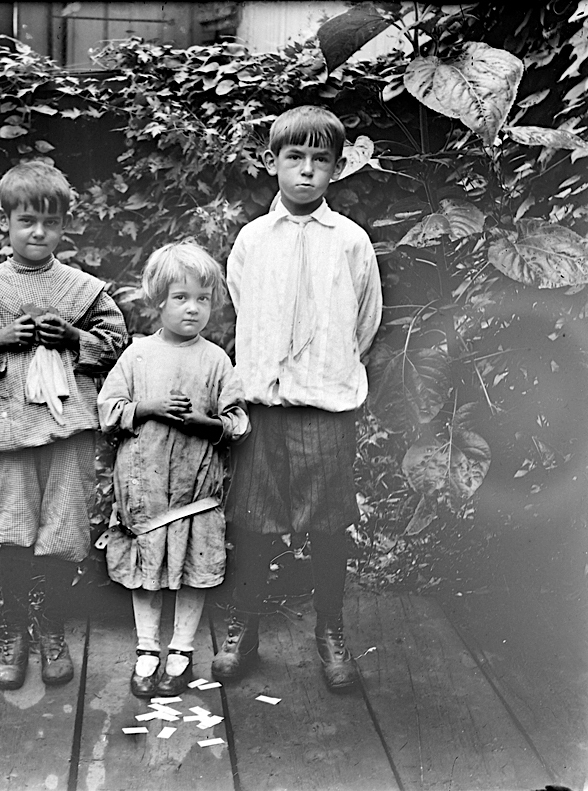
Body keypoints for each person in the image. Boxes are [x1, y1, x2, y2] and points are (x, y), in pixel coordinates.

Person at [213, 105, 383, 692]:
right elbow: (243, 308)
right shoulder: (252, 240)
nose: (306, 172)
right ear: (272, 163)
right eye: (294, 158)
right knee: (254, 522)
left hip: (325, 408)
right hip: (264, 407)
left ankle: (330, 631)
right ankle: (245, 626)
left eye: (319, 161)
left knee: (328, 525)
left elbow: (365, 320)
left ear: (337, 168)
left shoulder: (351, 242)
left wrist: (326, 374)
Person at [0, 160, 127, 690]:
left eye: (50, 222)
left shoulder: (83, 290)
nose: (38, 233)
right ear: (4, 222)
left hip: (68, 431)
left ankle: (51, 627)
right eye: (26, 221)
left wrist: (74, 338)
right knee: (12, 528)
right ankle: (14, 631)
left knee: (63, 529)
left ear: (65, 226)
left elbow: (117, 346)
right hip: (8, 433)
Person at [98, 241, 249, 698]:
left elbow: (239, 422)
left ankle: (181, 651)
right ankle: (147, 649)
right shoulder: (137, 356)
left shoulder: (216, 360)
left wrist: (208, 423)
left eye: (202, 299)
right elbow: (107, 411)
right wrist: (149, 407)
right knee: (147, 570)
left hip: (195, 493)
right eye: (181, 298)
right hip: (146, 493)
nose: (193, 309)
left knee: (193, 567)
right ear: (158, 301)